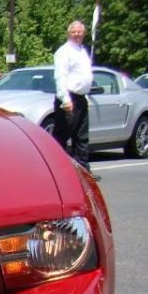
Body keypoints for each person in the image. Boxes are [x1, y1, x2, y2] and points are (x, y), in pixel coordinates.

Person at [52, 20, 97, 179]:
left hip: (81, 99)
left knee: (82, 137)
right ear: (68, 33)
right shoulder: (64, 52)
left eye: (79, 32)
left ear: (84, 34)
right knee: (61, 137)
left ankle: (84, 172)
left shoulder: (82, 51)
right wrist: (65, 100)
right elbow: (60, 77)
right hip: (68, 99)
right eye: (74, 32)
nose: (77, 34)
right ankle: (56, 172)